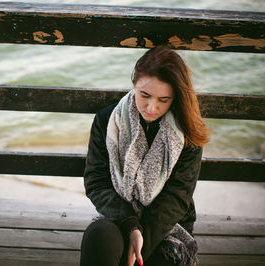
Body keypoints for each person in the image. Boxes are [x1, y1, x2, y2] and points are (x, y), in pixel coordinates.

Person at [80, 46, 210, 266]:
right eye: (145, 95)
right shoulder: (107, 120)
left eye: (164, 99)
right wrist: (131, 226)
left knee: (164, 258)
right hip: (119, 216)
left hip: (167, 225)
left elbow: (177, 197)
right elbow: (96, 182)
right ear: (134, 84)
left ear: (176, 97)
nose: (152, 107)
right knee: (100, 236)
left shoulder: (187, 131)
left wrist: (141, 242)